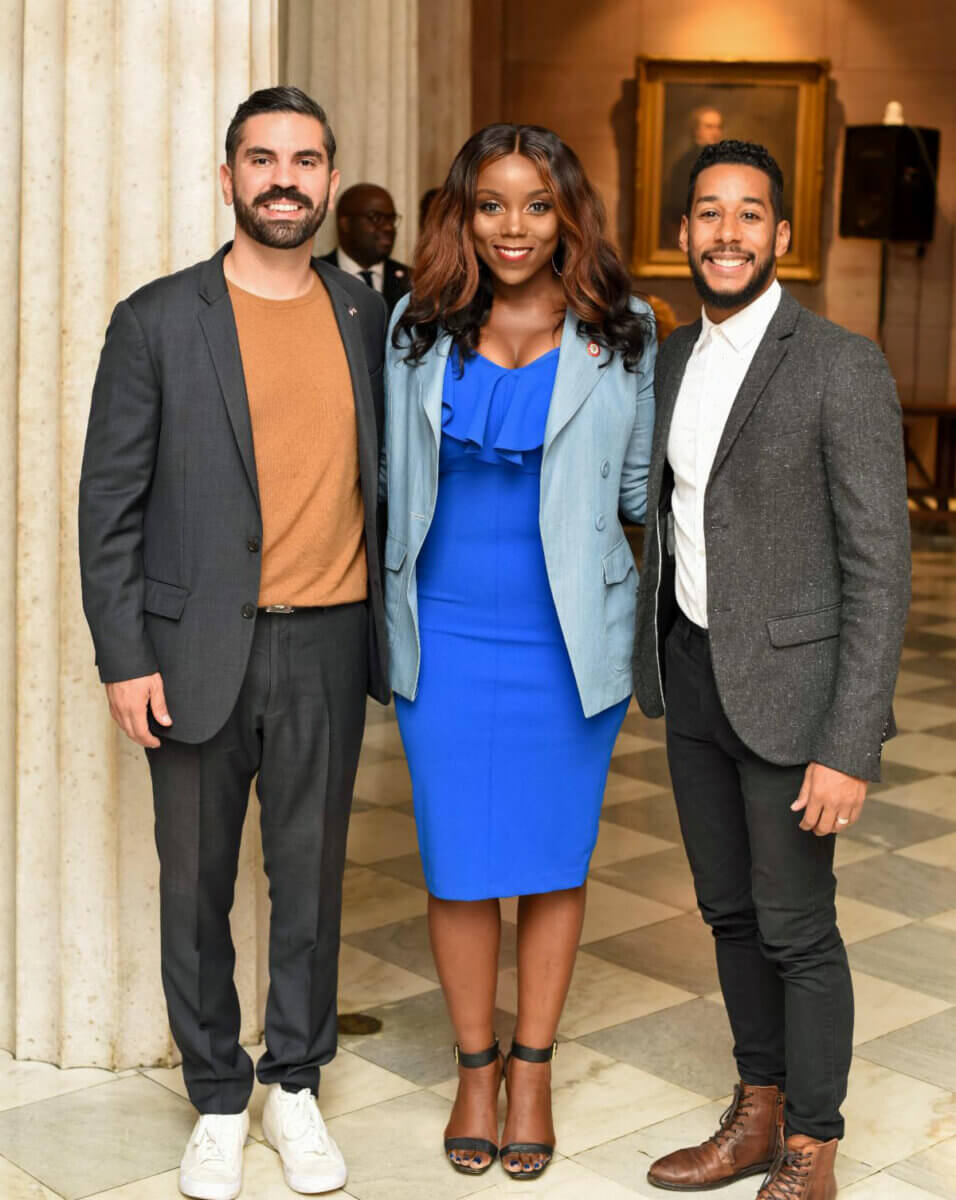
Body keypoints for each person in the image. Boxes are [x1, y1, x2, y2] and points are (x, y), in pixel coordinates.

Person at [79, 86, 389, 1200]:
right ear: (227, 180)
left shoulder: (368, 319)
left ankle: (293, 1086)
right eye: (261, 159)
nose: (284, 179)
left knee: (308, 884)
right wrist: (124, 654)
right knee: (195, 885)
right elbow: (107, 502)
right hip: (193, 650)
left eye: (305, 159)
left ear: (326, 175)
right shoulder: (157, 319)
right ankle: (217, 1096)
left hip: (327, 643)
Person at [633, 140, 910, 1198]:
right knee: (726, 911)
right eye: (707, 213)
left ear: (780, 237)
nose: (726, 233)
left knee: (796, 925)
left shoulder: (838, 363)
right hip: (694, 677)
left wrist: (848, 746)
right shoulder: (669, 358)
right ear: (684, 233)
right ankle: (754, 1110)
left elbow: (879, 568)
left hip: (793, 700)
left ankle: (812, 1143)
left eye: (749, 215)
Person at [385, 123, 656, 1181]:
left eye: (535, 204)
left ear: (566, 214)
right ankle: (470, 1066)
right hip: (444, 630)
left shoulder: (619, 328)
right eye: (491, 203)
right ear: (461, 211)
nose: (513, 226)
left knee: (549, 860)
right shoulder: (416, 326)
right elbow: (381, 475)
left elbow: (641, 493)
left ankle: (531, 1068)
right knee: (456, 865)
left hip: (564, 638)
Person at [320, 182, 411, 314]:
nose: (388, 227)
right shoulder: (317, 276)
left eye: (391, 219)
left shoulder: (412, 281)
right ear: (345, 223)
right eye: (376, 218)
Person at [661, 105, 724, 247]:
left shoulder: (722, 160)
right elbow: (680, 204)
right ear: (696, 130)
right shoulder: (686, 163)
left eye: (718, 127)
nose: (715, 132)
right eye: (709, 127)